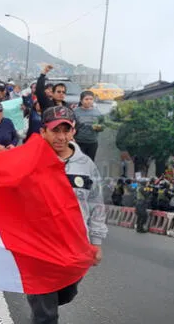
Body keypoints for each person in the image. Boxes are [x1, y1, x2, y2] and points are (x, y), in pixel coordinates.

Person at [28, 105, 106, 324]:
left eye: (66, 130)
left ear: (73, 132)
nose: (61, 137)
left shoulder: (86, 166)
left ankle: (41, 297)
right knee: (47, 314)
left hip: (74, 245)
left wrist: (96, 243)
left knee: (65, 293)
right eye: (55, 131)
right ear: (43, 132)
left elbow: (96, 204)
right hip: (40, 245)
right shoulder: (29, 161)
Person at [73, 91, 104, 161]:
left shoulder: (97, 112)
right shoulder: (75, 111)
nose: (89, 101)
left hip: (92, 142)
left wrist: (99, 127)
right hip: (79, 142)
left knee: (90, 162)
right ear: (81, 100)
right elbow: (72, 127)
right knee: (79, 161)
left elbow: (103, 125)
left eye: (91, 99)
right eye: (86, 99)